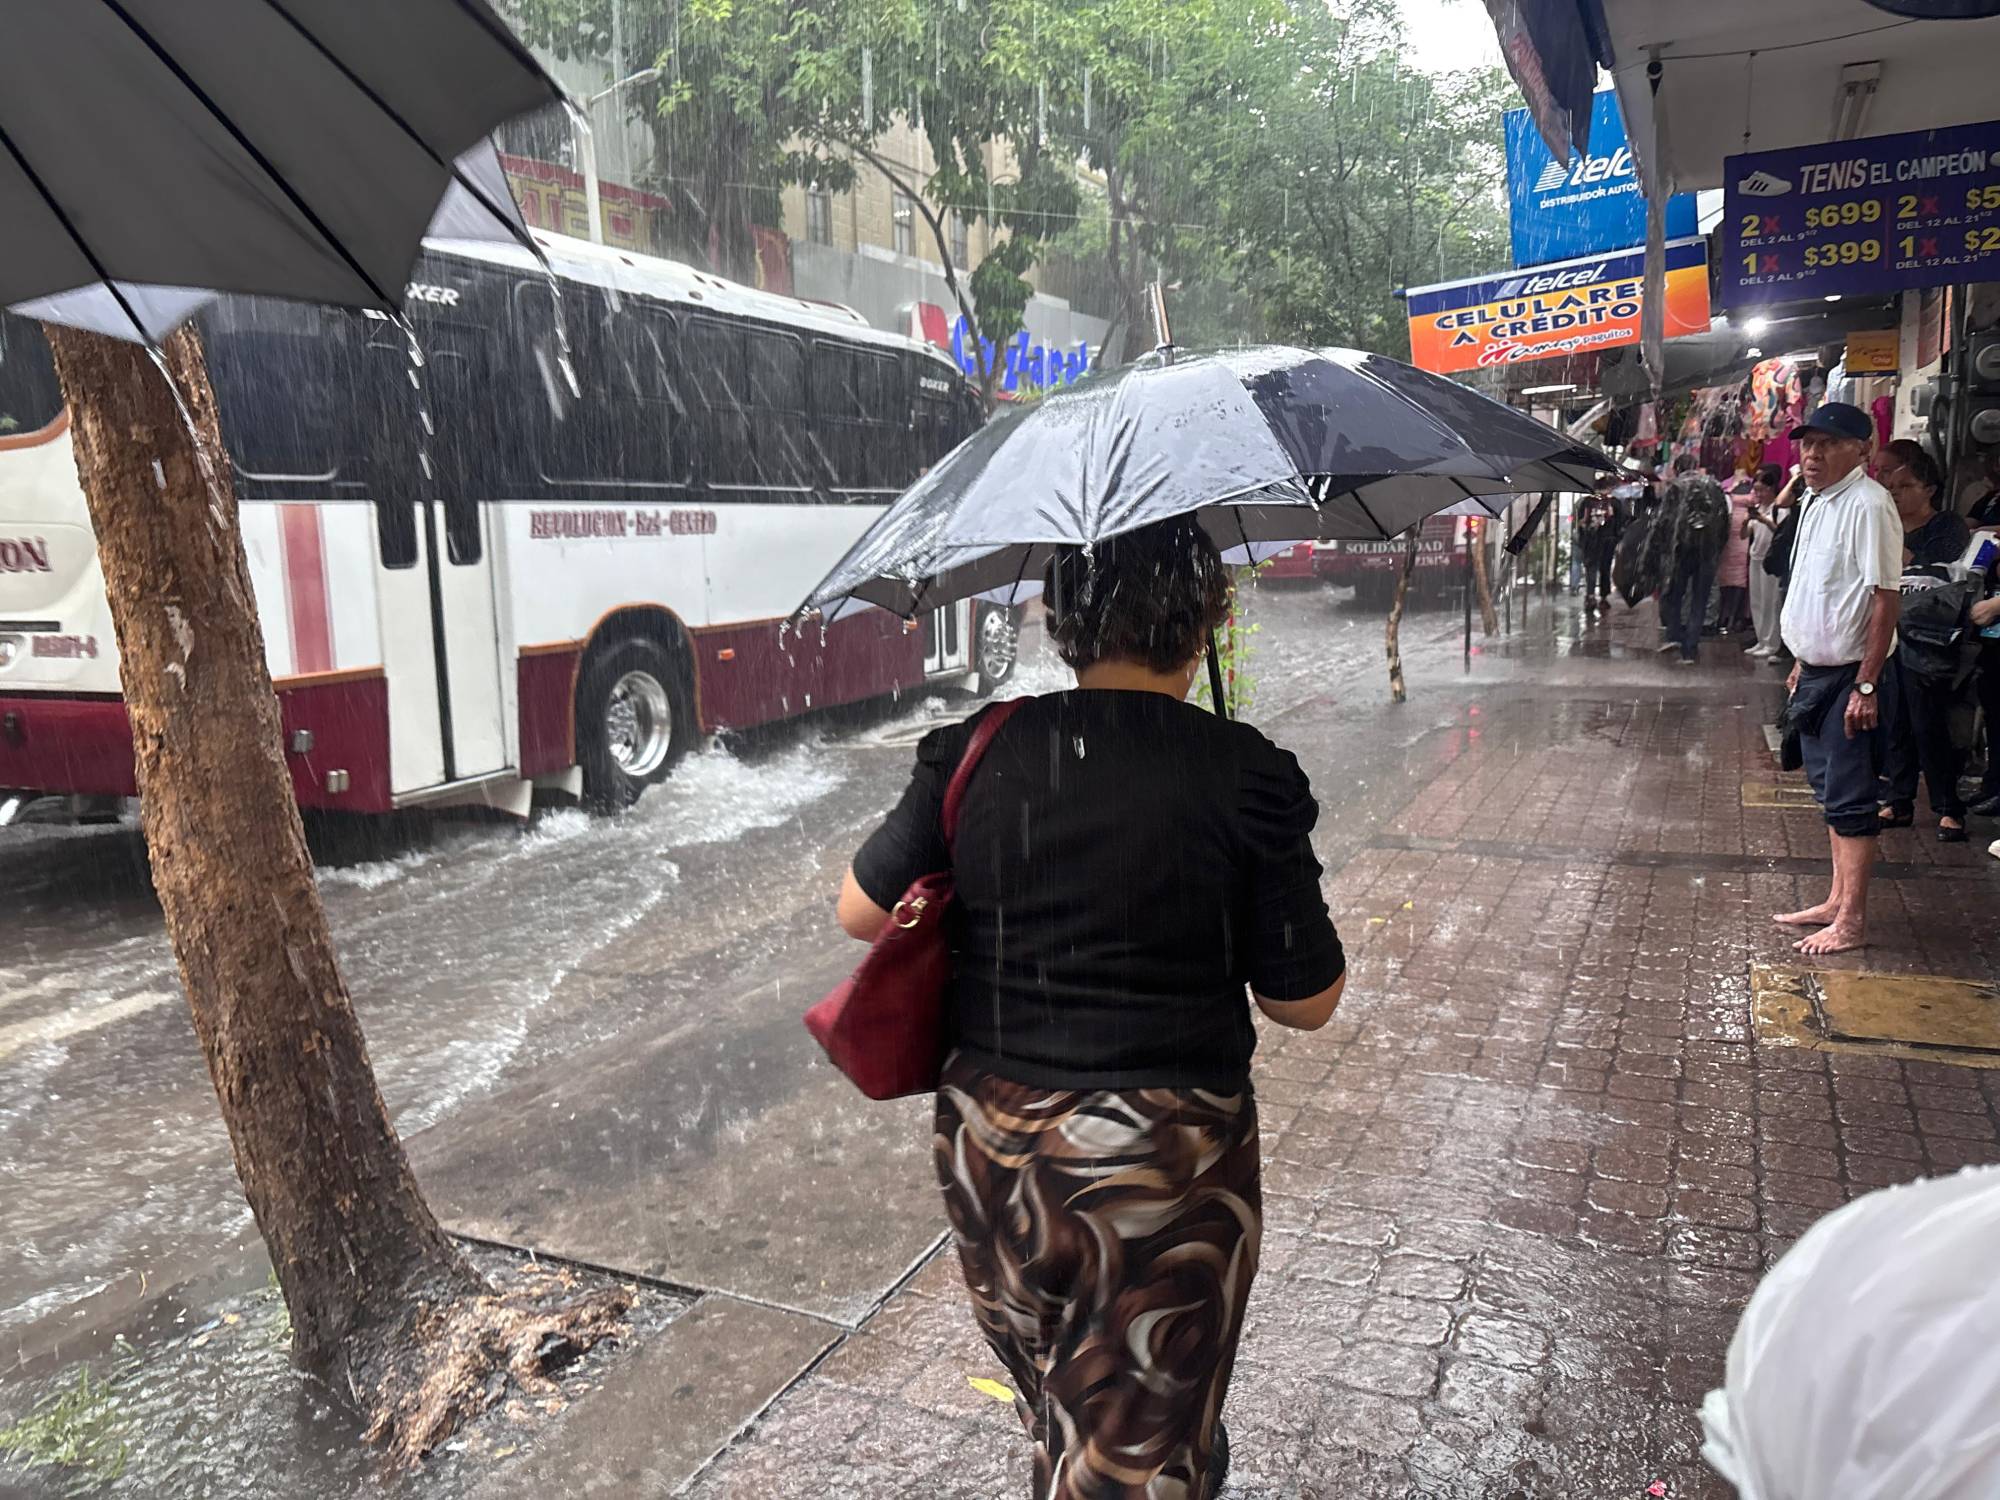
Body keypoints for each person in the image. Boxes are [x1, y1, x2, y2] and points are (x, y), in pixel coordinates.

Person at [837, 517, 1347, 1500]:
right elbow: (1304, 1002)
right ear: (1206, 619)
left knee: (1071, 1407)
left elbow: (859, 911)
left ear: (1056, 616)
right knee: (1124, 1460)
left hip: (992, 1159)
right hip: (1159, 1172)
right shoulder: (1247, 775)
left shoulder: (975, 752)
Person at [1774, 403, 1902, 955]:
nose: (1813, 454)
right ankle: (1834, 899)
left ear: (1863, 450)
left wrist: (1867, 684)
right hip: (1818, 673)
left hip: (1853, 676)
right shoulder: (1814, 501)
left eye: (1828, 444)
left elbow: (1883, 599)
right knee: (1828, 791)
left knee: (1850, 799)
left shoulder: (1870, 505)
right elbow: (1819, 588)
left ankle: (1851, 919)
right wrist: (1803, 657)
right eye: (1807, 444)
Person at [1875, 442, 1974, 841]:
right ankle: (1898, 801)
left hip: (1931, 636)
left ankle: (1948, 806)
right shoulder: (1888, 523)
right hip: (1891, 632)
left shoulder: (1946, 527)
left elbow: (1925, 566)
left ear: (1928, 489)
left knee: (1929, 721)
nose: (1894, 494)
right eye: (1891, 488)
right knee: (1894, 717)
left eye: (1904, 486)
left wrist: (1889, 534)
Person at [1658, 473, 1731, 664]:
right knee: (1699, 600)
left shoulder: (1675, 488)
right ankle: (1689, 648)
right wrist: (1717, 549)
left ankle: (1674, 635)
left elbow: (1664, 521)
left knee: (1675, 594)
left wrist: (1665, 548)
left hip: (1680, 550)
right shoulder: (1715, 489)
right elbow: (1724, 523)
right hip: (1707, 552)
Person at [1744, 465, 1790, 659]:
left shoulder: (1779, 510)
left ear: (1771, 490)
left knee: (1771, 603)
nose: (1758, 494)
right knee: (1757, 601)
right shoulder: (1759, 509)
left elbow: (1780, 533)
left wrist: (1763, 520)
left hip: (1770, 561)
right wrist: (1748, 520)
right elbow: (1744, 535)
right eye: (1756, 490)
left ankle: (1771, 643)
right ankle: (1761, 639)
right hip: (1755, 557)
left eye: (1761, 490)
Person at [1716, 470, 1757, 636]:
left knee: (1740, 575)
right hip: (1729, 529)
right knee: (1725, 575)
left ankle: (1735, 616)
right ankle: (1725, 615)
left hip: (1745, 529)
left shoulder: (1754, 485)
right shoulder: (1726, 484)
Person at [1574, 479, 1626, 612]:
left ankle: (1590, 596)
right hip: (1608, 541)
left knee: (1591, 568)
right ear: (1608, 487)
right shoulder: (1614, 502)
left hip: (1590, 541)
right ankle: (1603, 598)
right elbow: (1620, 524)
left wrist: (1582, 540)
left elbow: (1580, 523)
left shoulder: (1586, 502)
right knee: (1605, 569)